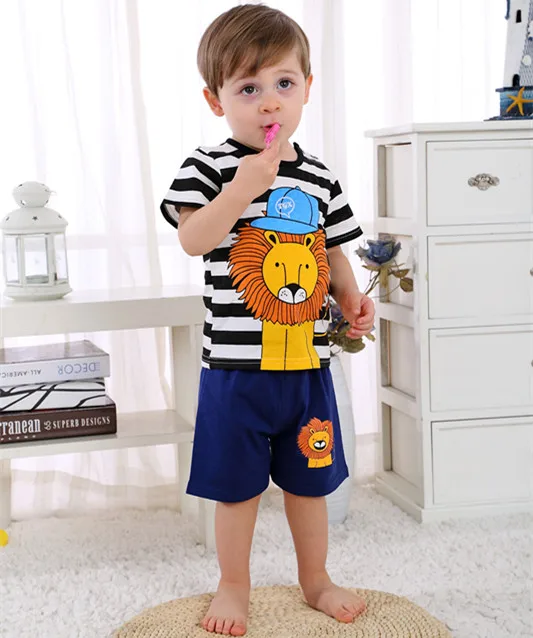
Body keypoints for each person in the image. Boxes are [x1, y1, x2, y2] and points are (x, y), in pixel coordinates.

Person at [160, 4, 375, 636]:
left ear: (307, 87)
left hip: (306, 366)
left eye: (283, 83)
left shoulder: (319, 176)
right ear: (215, 99)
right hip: (236, 370)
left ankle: (317, 579)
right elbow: (193, 239)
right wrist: (241, 189)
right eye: (248, 89)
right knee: (237, 488)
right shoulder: (207, 167)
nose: (269, 102)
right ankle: (233, 585)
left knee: (311, 483)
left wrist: (351, 298)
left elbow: (333, 252)